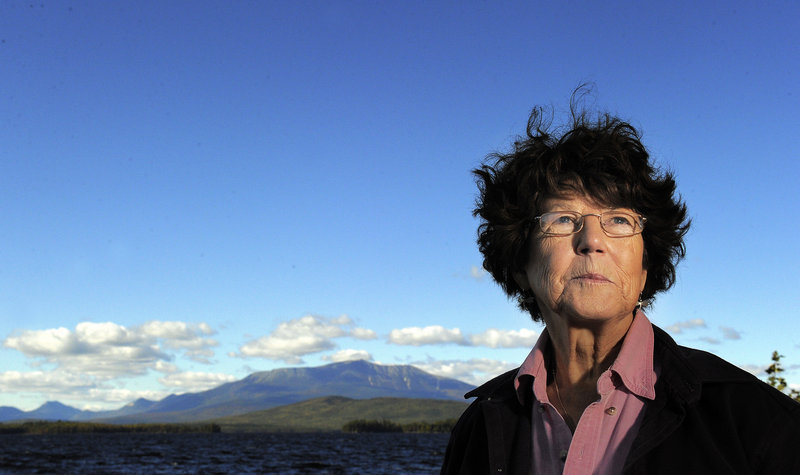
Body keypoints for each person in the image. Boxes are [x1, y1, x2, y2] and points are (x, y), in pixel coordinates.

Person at [441, 93, 800, 474]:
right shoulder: (480, 425)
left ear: (646, 266)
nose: (591, 240)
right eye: (562, 219)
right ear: (520, 265)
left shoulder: (756, 422)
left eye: (619, 221)